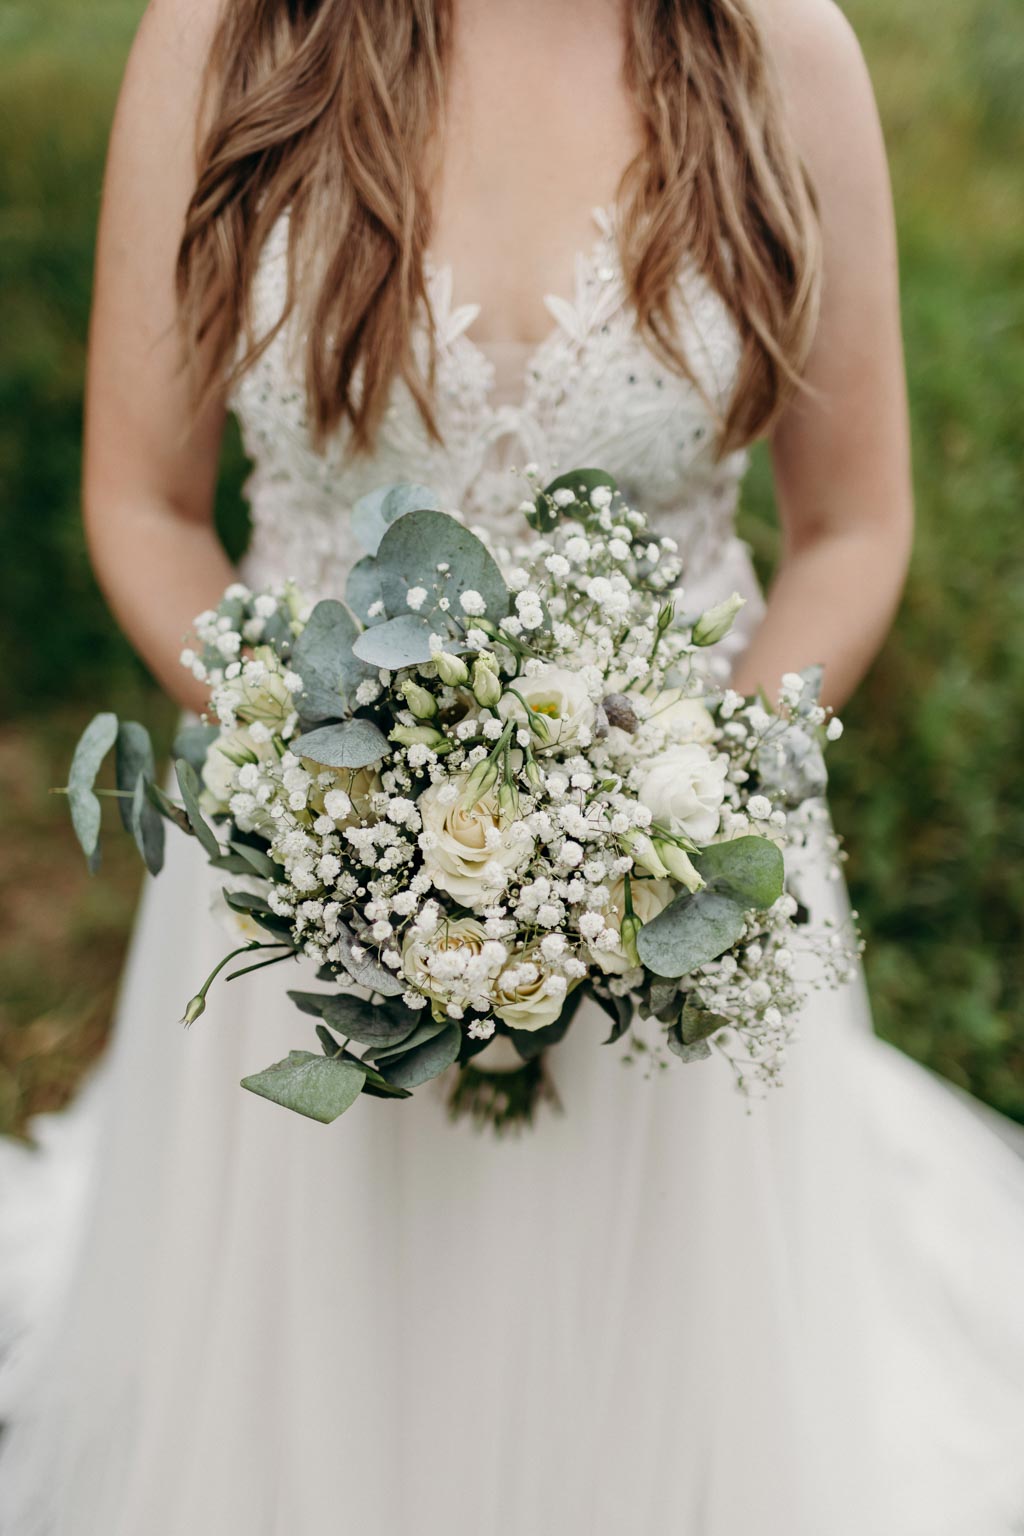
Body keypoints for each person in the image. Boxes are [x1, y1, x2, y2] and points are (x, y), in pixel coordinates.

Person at [2, 1, 1023, 1531]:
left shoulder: (780, 49)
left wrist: (679, 805)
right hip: (310, 880)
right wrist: (326, 794)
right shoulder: (226, 37)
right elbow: (145, 504)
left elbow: (854, 527)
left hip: (672, 880)